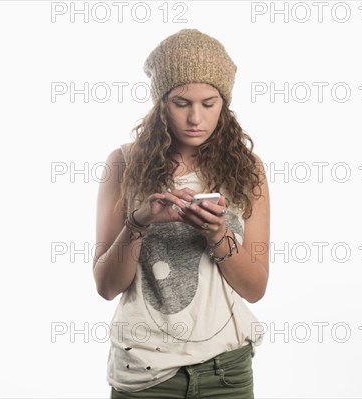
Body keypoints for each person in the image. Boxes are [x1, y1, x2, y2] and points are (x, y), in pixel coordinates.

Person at [93, 28, 270, 399]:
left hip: (227, 371)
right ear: (160, 103)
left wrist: (218, 235)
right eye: (180, 102)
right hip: (143, 371)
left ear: (224, 103)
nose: (195, 117)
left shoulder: (248, 169)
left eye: (208, 103)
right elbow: (107, 286)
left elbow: (255, 288)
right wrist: (139, 222)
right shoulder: (123, 164)